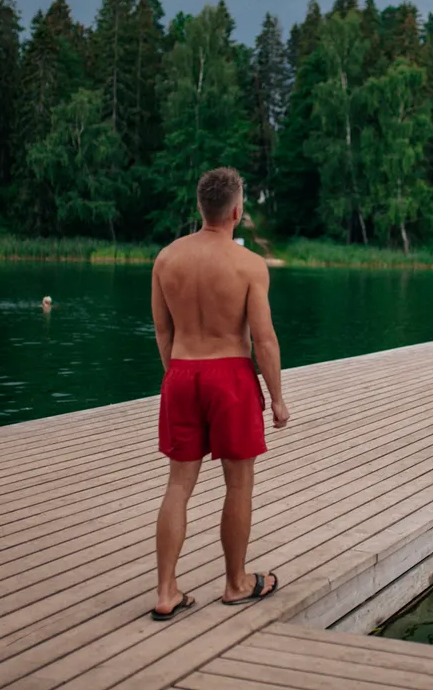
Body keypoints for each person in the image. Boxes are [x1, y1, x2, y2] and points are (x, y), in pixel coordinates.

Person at [148, 166, 288, 620]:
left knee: (178, 485)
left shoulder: (167, 259)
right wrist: (278, 398)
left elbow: (163, 331)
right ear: (236, 210)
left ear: (200, 207)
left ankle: (167, 591)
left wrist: (177, 378)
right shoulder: (249, 265)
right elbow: (264, 339)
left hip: (184, 373)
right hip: (230, 377)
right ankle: (236, 583)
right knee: (239, 483)